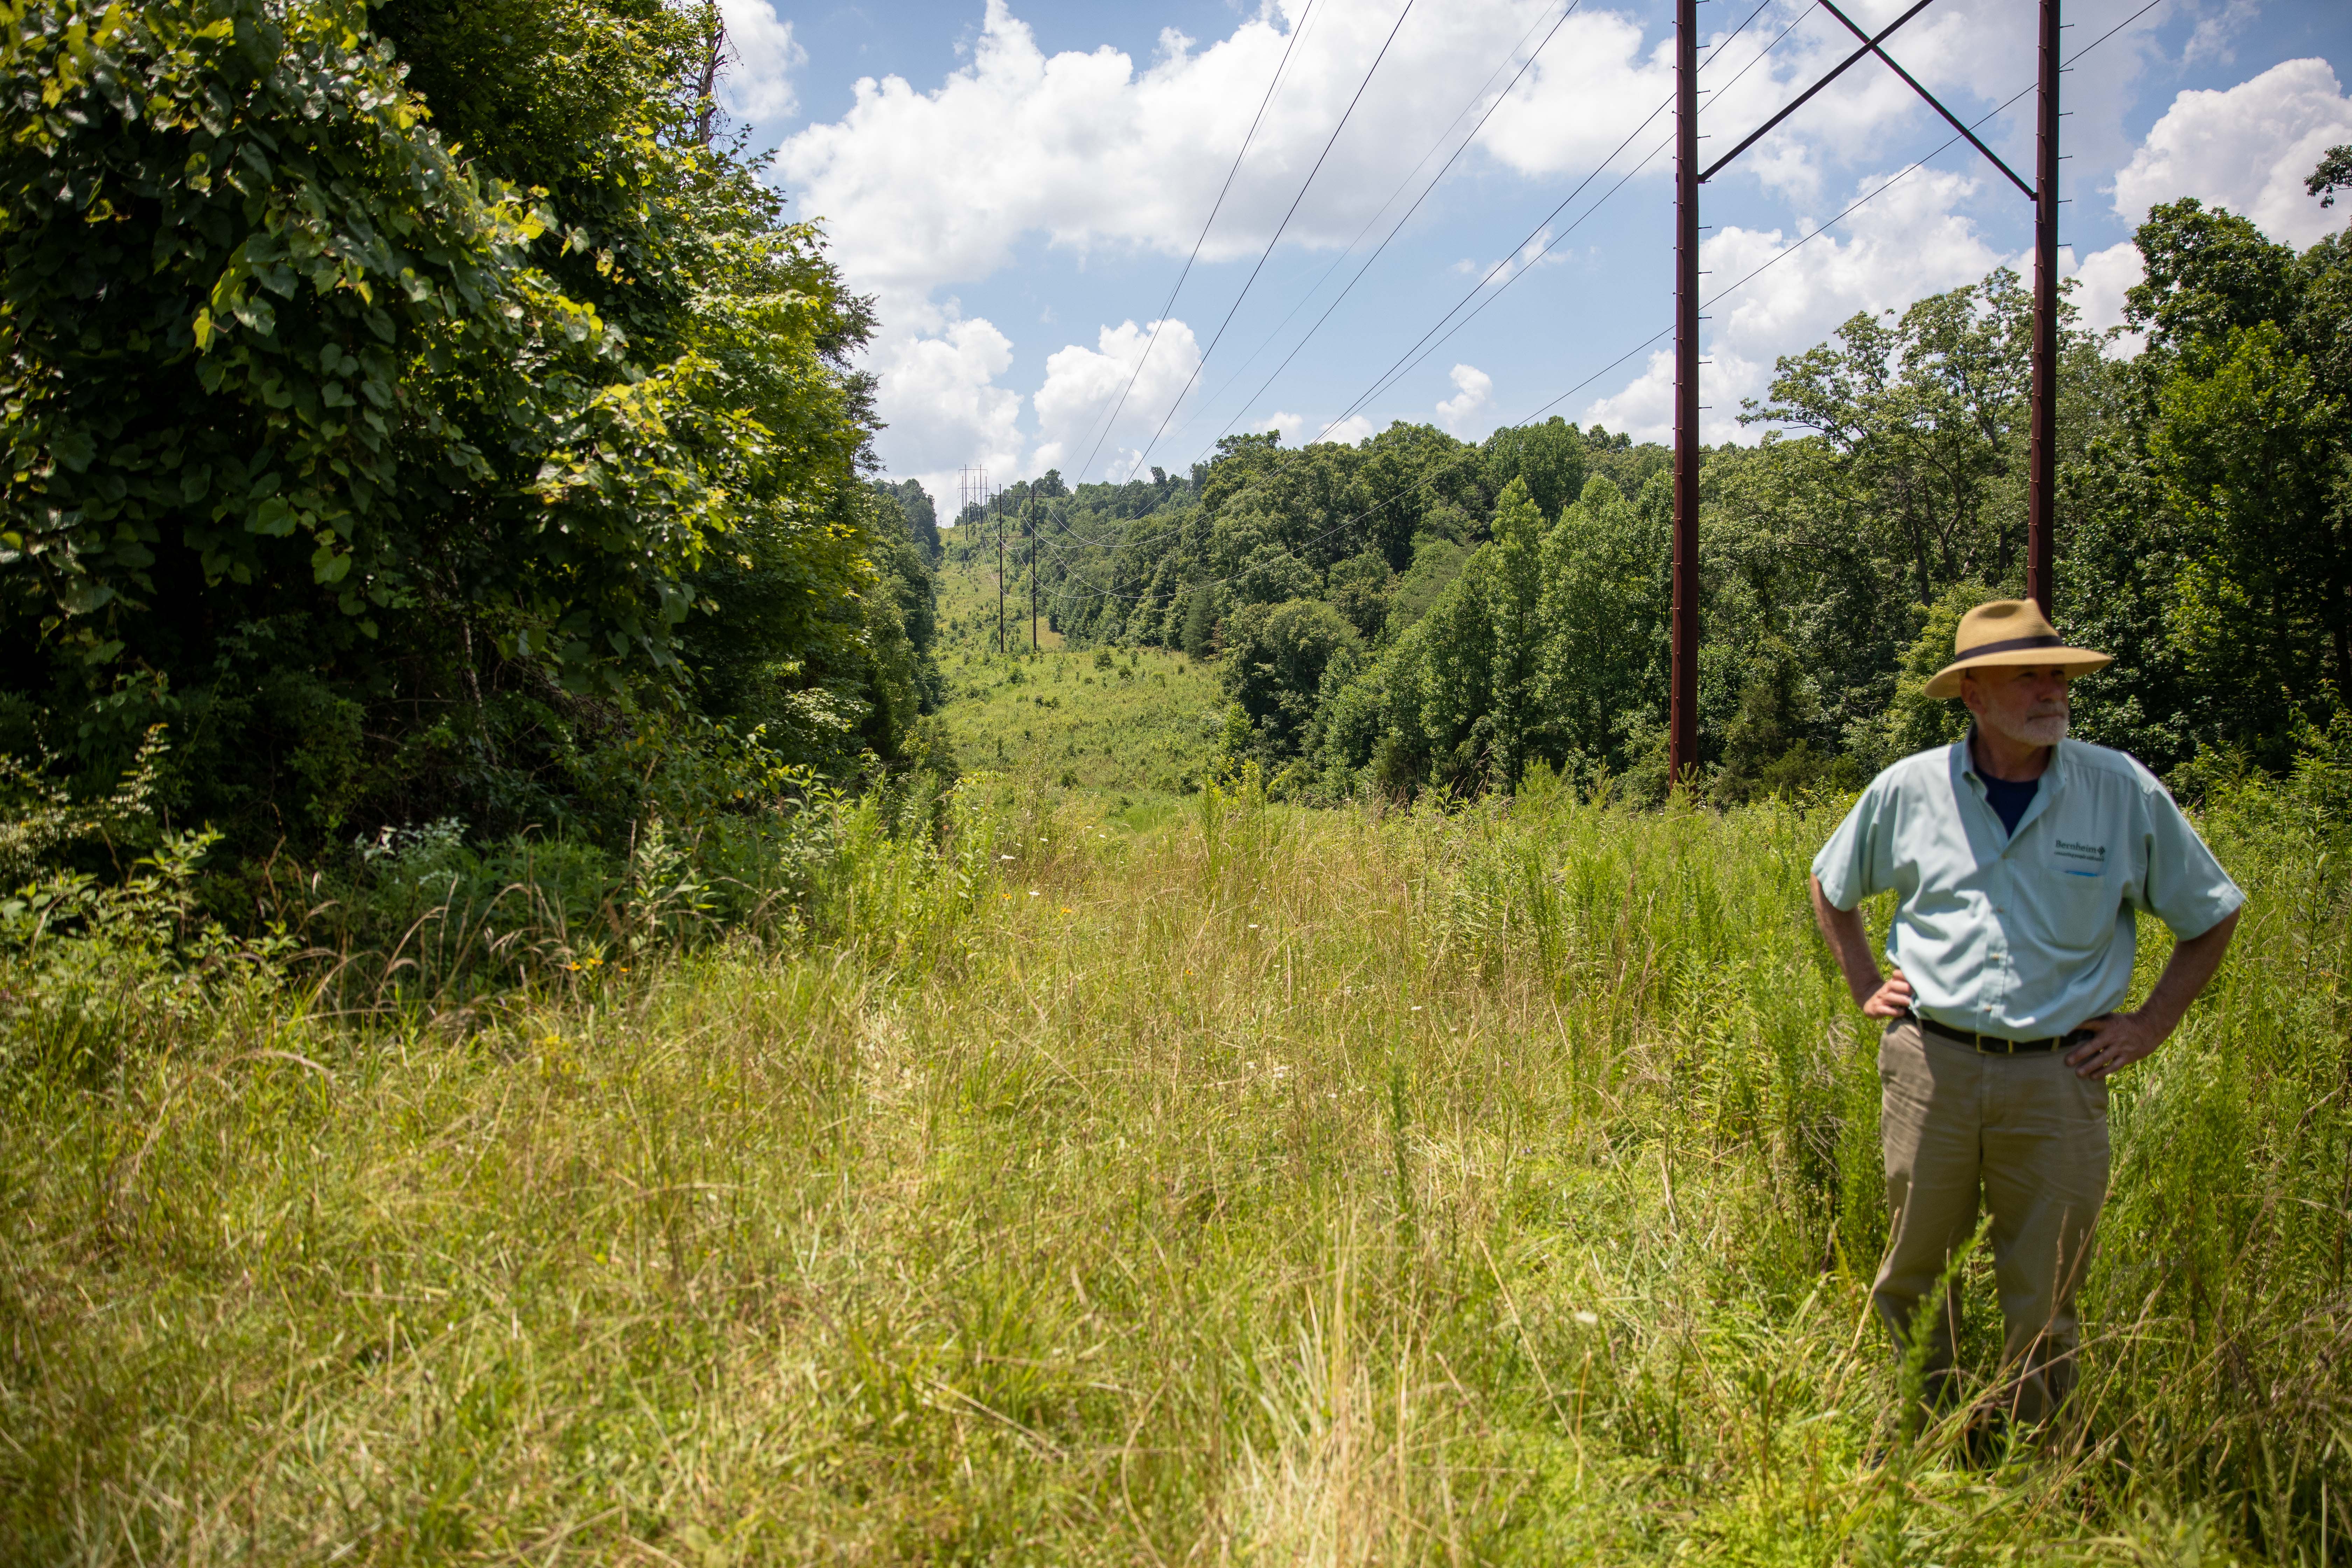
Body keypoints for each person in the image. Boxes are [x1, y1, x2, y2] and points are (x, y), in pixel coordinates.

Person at [1808, 598, 2242, 1430]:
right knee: (1913, 1272)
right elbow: (1833, 884)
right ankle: (1922, 1440)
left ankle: (2033, 1467)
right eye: (2030, 675)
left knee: (2045, 1291)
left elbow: (2212, 911)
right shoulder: (1911, 789)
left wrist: (2148, 1025)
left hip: (2058, 1077)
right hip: (1930, 1066)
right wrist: (1866, 979)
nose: (2053, 690)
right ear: (1973, 693)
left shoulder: (2119, 790)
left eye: (2059, 673)